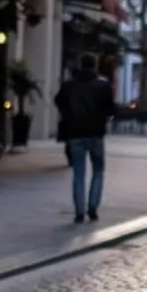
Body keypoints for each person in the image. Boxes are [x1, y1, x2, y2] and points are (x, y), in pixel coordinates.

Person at [55, 54, 115, 223]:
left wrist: (69, 115)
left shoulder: (69, 85)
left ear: (81, 64)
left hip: (75, 133)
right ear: (95, 65)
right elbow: (111, 109)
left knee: (78, 173)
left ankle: (79, 211)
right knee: (98, 170)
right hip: (96, 133)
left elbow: (59, 102)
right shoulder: (103, 85)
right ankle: (93, 207)